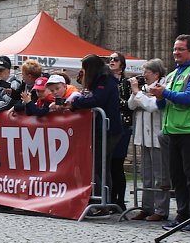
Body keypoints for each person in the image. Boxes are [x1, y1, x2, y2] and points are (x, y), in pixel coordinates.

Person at [149, 34, 190, 233]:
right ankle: (183, 215)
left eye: (180, 49)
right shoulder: (175, 73)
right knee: (178, 177)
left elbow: (189, 98)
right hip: (174, 130)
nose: (176, 53)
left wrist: (164, 93)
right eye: (175, 49)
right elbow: (163, 104)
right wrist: (159, 96)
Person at [68, 54, 123, 216]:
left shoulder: (105, 80)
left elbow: (97, 100)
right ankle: (101, 199)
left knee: (99, 165)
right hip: (100, 128)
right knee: (99, 165)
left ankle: (102, 201)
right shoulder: (102, 79)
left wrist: (75, 103)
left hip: (108, 129)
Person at [127, 58, 170, 222]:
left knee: (160, 175)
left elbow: (153, 106)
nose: (143, 75)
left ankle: (161, 209)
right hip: (144, 136)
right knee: (146, 174)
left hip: (157, 135)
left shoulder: (162, 87)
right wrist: (136, 93)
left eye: (147, 72)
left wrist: (139, 95)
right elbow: (132, 105)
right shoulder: (143, 88)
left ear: (156, 73)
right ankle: (147, 207)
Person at [108, 51, 132, 211]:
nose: (111, 62)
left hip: (123, 125)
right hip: (109, 125)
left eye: (115, 59)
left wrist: (113, 100)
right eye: (110, 59)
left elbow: (129, 103)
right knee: (109, 164)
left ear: (121, 64)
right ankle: (110, 198)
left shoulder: (126, 82)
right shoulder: (106, 80)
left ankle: (120, 200)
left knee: (117, 164)